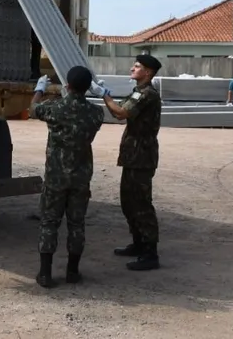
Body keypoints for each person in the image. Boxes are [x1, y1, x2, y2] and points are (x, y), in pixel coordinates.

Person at [30, 66, 105, 288]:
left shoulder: (55, 109)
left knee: (49, 223)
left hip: (56, 177)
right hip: (80, 178)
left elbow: (33, 109)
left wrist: (40, 89)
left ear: (67, 85)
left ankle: (45, 273)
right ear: (88, 88)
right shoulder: (96, 113)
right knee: (76, 224)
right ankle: (72, 272)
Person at [90, 54, 163, 271]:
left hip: (141, 157)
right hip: (134, 155)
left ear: (148, 72)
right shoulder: (138, 92)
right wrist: (108, 96)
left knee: (141, 204)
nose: (133, 68)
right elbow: (121, 108)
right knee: (128, 202)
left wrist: (104, 95)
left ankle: (150, 253)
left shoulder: (147, 94)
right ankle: (138, 243)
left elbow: (121, 113)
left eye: (138, 66)